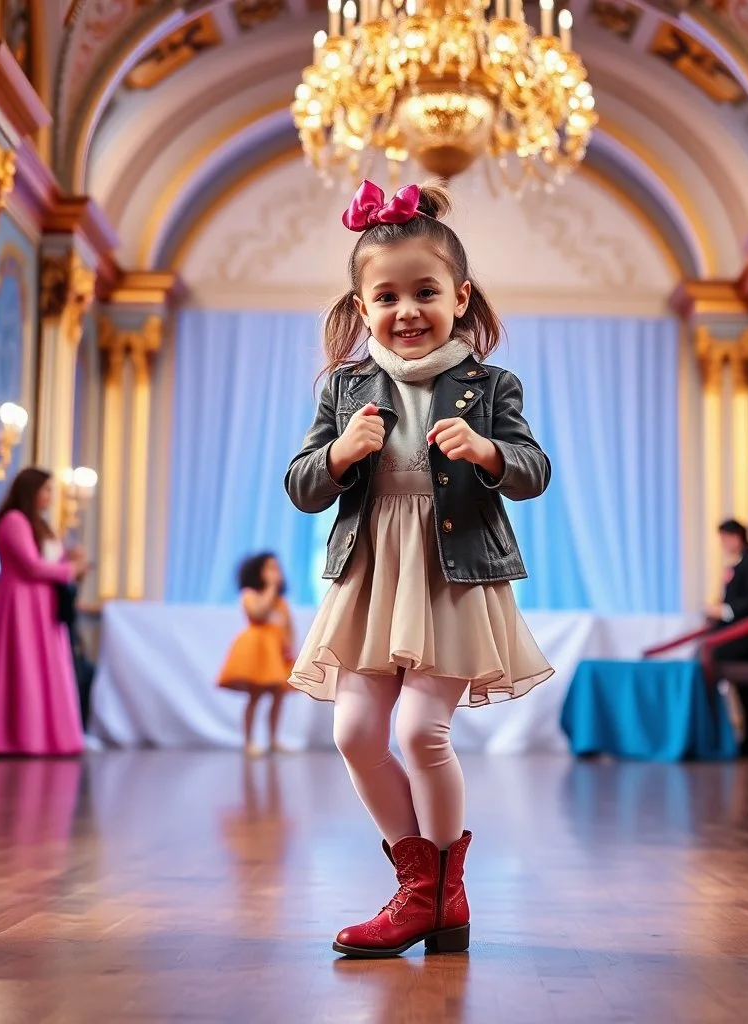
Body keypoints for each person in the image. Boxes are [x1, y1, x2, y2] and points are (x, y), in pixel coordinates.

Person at [285, 179, 553, 958]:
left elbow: (534, 469)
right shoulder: (346, 388)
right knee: (354, 731)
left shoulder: (489, 386)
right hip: (373, 577)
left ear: (460, 297)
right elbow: (302, 484)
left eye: (426, 292)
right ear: (362, 306)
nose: (407, 310)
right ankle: (425, 887)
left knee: (419, 729)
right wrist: (339, 455)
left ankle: (436, 896)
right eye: (388, 296)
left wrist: (490, 452)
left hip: (452, 573)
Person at [0, 467, 89, 756]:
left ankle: (51, 737)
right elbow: (31, 565)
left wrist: (70, 560)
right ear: (30, 491)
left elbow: (47, 561)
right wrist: (69, 569)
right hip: (21, 603)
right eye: (46, 490)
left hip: (43, 605)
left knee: (48, 670)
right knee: (25, 667)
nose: (51, 496)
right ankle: (23, 737)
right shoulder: (14, 521)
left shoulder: (39, 524)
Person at [217, 553, 296, 756]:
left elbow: (288, 628)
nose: (275, 572)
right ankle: (249, 741)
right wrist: (271, 587)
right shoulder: (250, 595)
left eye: (277, 568)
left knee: (279, 696)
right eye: (270, 568)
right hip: (258, 652)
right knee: (256, 695)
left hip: (276, 654)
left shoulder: (282, 602)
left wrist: (290, 648)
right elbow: (257, 613)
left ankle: (274, 740)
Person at [705, 519, 748, 757]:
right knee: (745, 691)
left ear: (735, 536)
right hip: (739, 634)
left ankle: (747, 741)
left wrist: (724, 611)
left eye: (724, 539)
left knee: (742, 686)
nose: (723, 545)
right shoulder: (742, 561)